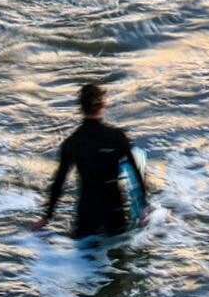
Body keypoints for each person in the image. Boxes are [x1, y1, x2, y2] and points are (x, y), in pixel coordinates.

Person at [34, 82, 146, 238]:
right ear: (103, 104)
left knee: (83, 256)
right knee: (119, 255)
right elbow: (135, 173)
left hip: (87, 213)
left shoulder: (73, 142)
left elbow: (59, 182)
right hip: (114, 212)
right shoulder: (117, 137)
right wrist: (143, 209)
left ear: (81, 107)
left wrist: (47, 217)